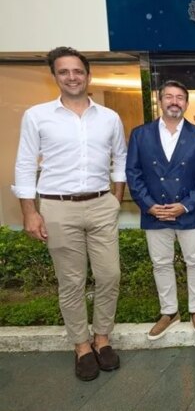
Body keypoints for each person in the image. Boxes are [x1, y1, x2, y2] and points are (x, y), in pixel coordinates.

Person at [12, 46, 127, 381]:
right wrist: (30, 212)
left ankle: (102, 338)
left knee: (109, 275)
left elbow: (120, 158)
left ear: (88, 75)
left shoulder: (109, 117)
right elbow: (24, 164)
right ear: (55, 76)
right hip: (58, 206)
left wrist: (116, 199)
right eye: (64, 72)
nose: (72, 77)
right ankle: (81, 346)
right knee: (71, 281)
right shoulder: (37, 116)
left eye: (77, 71)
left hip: (101, 203)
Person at [126, 80, 195, 341]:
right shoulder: (140, 134)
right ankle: (169, 312)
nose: (174, 102)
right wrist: (149, 205)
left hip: (189, 211)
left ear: (186, 103)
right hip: (155, 212)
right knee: (161, 263)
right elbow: (133, 173)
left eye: (179, 97)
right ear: (160, 101)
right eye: (169, 96)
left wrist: (185, 205)